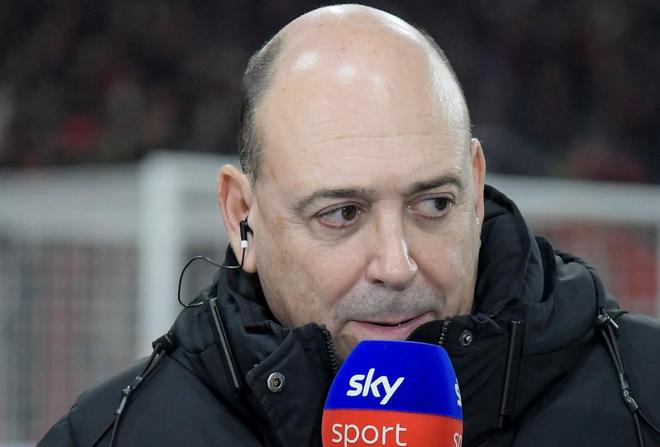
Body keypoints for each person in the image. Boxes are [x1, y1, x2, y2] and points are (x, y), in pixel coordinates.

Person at [39, 4, 660, 447]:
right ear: (242, 216)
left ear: (475, 188)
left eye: (433, 204)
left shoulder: (647, 394)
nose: (396, 265)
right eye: (341, 213)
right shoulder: (109, 436)